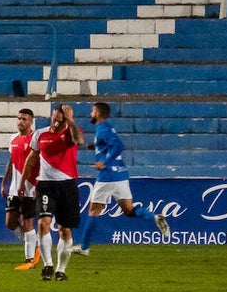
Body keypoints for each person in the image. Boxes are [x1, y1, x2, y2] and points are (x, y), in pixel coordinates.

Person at [71, 101, 170, 255]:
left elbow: (118, 146)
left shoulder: (102, 129)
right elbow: (110, 144)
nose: (90, 114)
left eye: (92, 111)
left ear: (97, 113)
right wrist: (95, 147)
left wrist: (104, 162)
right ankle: (155, 218)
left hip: (108, 176)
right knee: (129, 210)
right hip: (121, 175)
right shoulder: (107, 127)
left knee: (93, 210)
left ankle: (84, 246)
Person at [17, 103, 83, 282]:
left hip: (67, 185)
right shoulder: (40, 134)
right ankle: (48, 265)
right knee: (43, 224)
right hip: (45, 184)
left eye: (60, 120)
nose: (55, 123)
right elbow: (31, 158)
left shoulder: (72, 132)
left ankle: (61, 270)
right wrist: (23, 182)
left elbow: (79, 141)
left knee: (65, 230)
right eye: (54, 118)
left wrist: (70, 121)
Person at [1, 108, 41, 270]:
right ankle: (35, 245)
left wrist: (39, 184)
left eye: (24, 119)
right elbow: (11, 162)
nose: (20, 122)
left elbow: (40, 163)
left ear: (31, 121)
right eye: (19, 119)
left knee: (27, 222)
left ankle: (29, 259)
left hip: (30, 187)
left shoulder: (36, 139)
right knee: (10, 222)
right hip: (14, 188)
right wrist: (5, 182)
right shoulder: (13, 139)